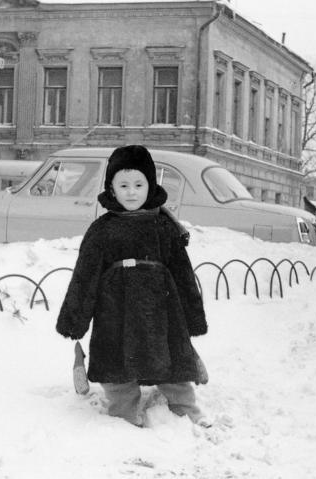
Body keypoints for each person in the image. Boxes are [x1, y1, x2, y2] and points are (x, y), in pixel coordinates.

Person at [56, 145, 210, 427]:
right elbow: (85, 277)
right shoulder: (102, 230)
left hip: (162, 310)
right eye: (123, 185)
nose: (131, 192)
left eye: (139, 184)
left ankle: (186, 409)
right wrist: (74, 320)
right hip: (115, 311)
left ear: (150, 186)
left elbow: (183, 274)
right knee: (117, 368)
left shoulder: (164, 227)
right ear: (111, 188)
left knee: (174, 365)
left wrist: (193, 316)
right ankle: (123, 414)